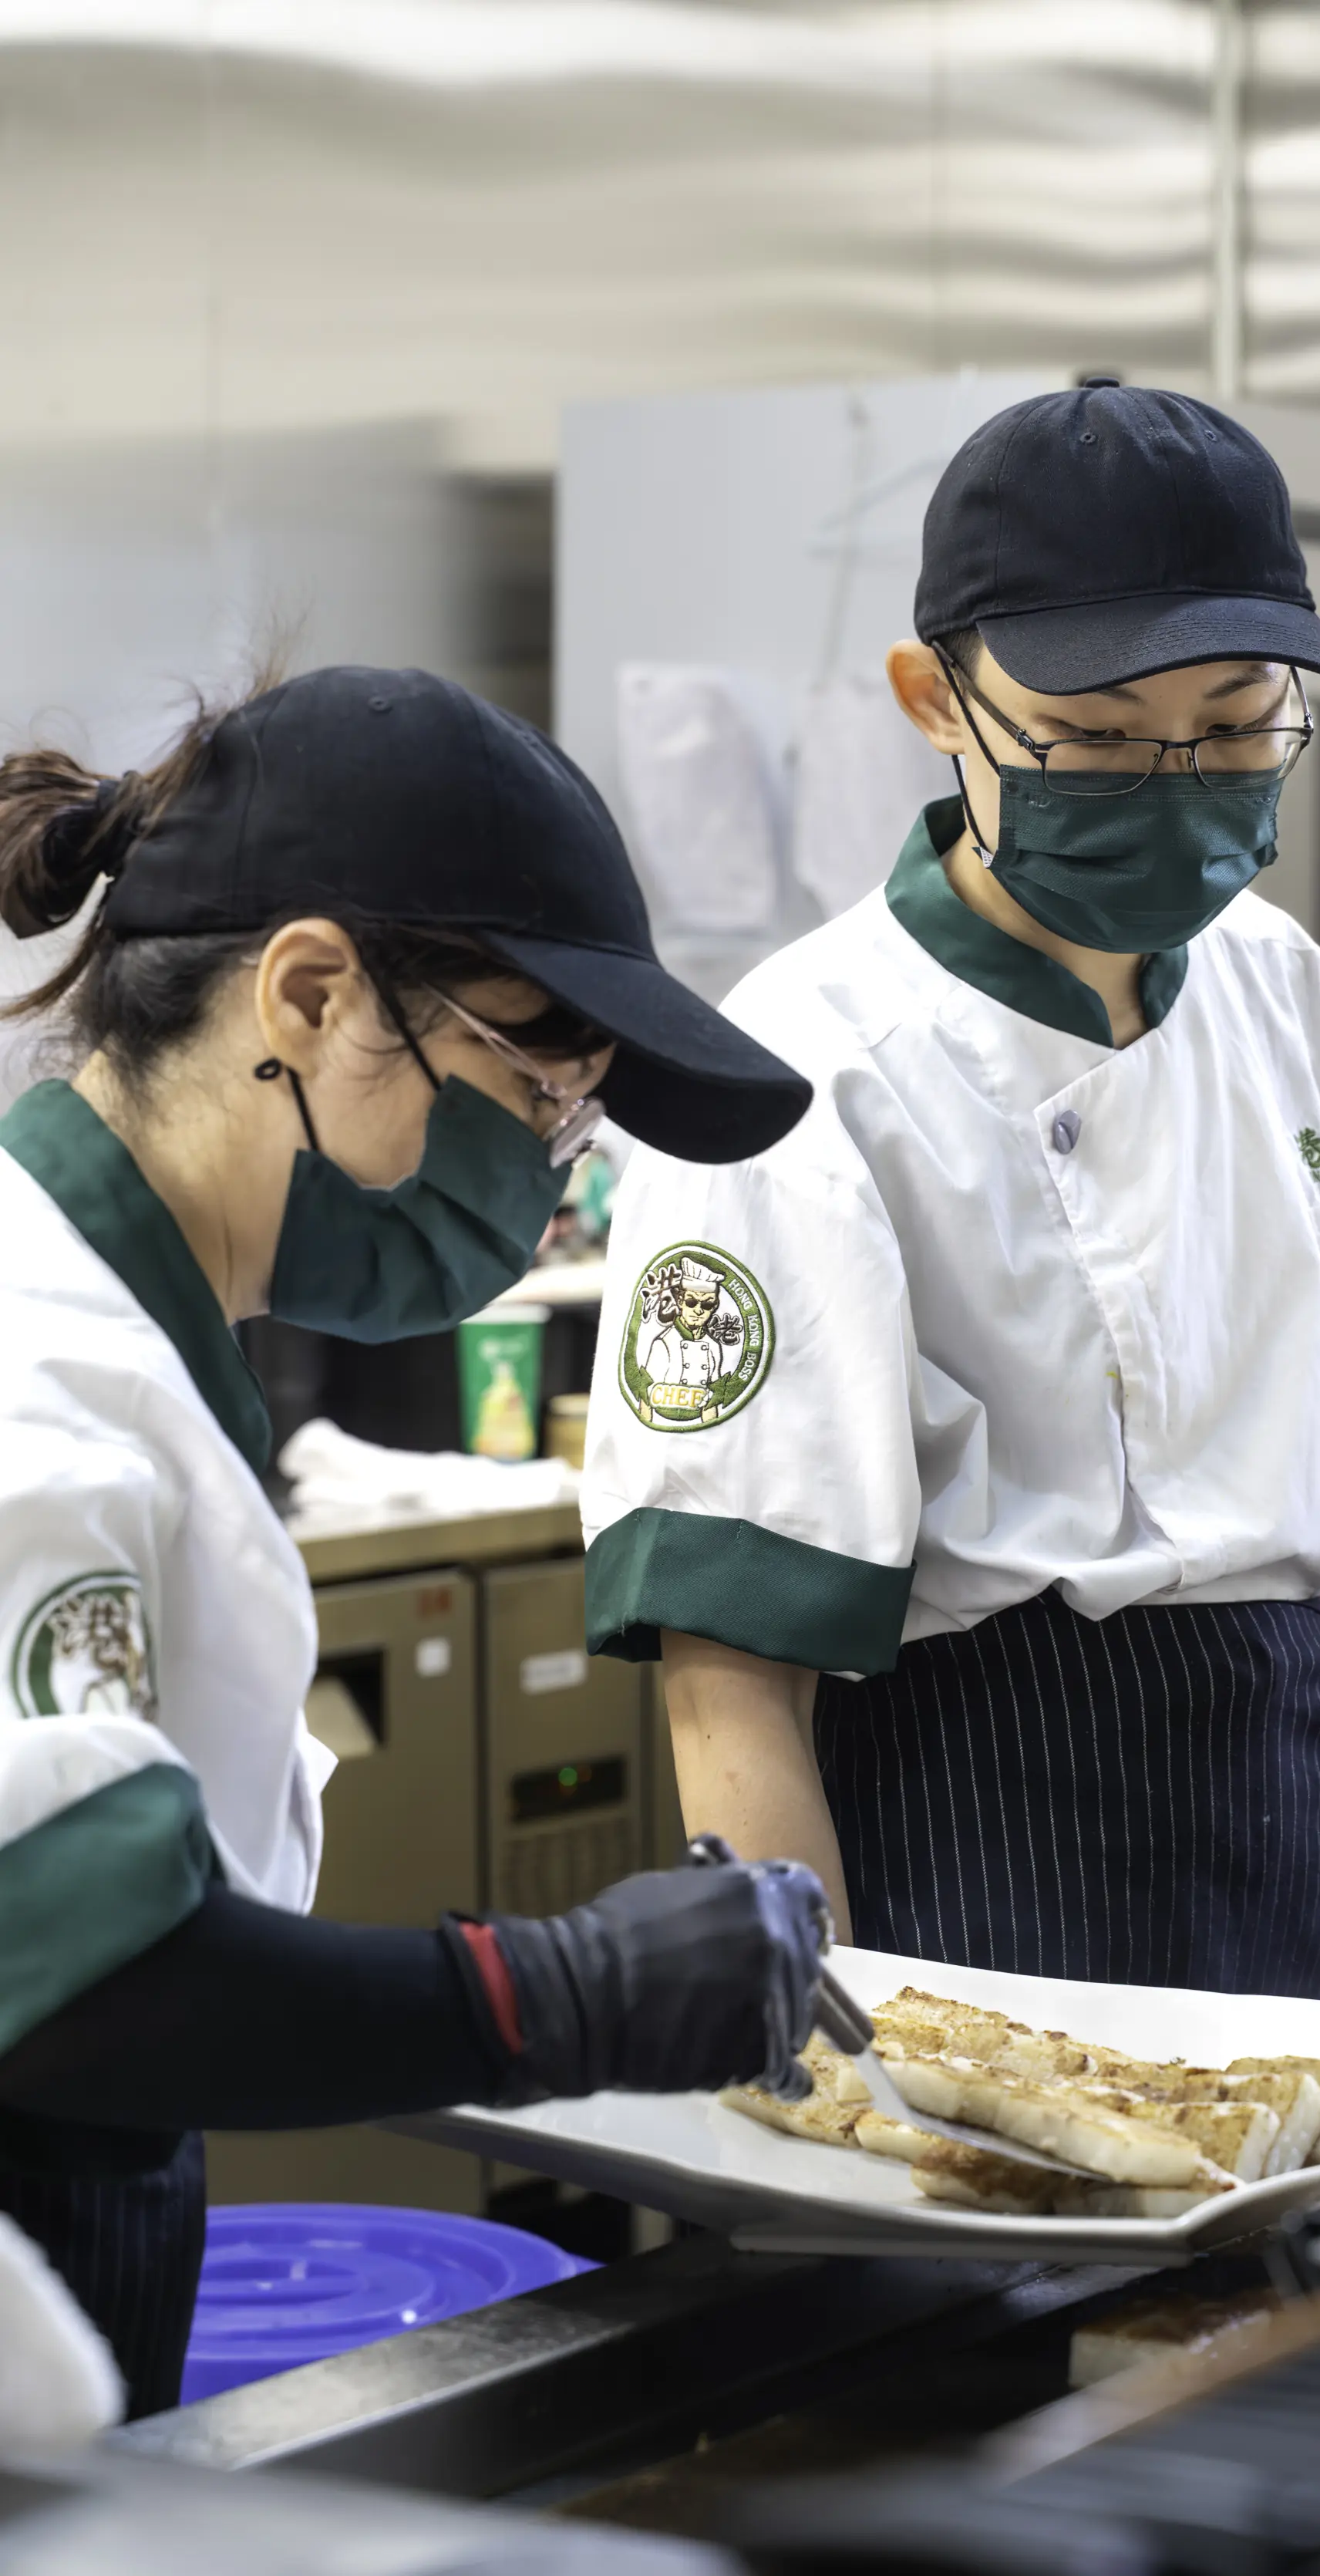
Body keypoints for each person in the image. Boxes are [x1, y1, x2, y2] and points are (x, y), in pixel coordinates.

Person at [578, 382, 1320, 1998]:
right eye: (1101, 738)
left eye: (1241, 725)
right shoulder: (804, 1065)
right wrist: (817, 2039)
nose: (1178, 780)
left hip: (1285, 1827)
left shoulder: (1278, 986)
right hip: (988, 1855)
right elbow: (729, 1669)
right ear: (932, 697)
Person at [0, 663, 830, 2419]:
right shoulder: (40, 1378)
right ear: (307, 993)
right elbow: (72, 1979)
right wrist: (567, 1989)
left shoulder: (150, 1348)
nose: (545, 1173)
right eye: (534, 1082)